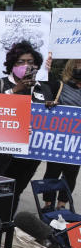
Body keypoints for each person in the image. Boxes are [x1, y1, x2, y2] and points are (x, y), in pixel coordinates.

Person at [0, 41, 53, 199]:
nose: (26, 65)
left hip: (30, 156)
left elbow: (48, 116)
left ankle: (7, 222)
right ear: (12, 65)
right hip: (1, 156)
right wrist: (16, 90)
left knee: (16, 193)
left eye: (30, 62)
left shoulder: (43, 89)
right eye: (20, 62)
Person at [42, 60, 81, 221]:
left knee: (71, 174)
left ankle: (62, 204)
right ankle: (48, 203)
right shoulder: (59, 86)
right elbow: (45, 102)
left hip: (77, 141)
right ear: (72, 69)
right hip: (58, 139)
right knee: (52, 172)